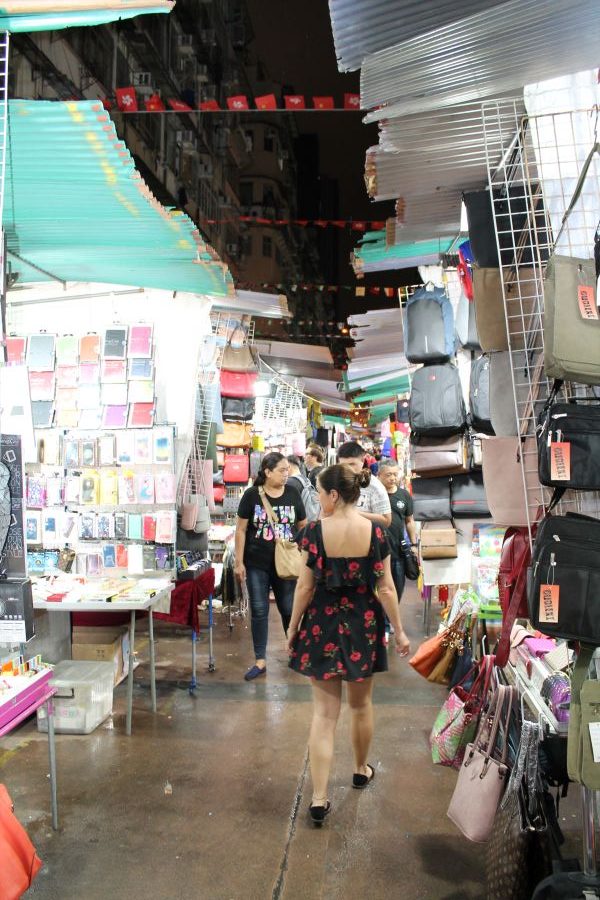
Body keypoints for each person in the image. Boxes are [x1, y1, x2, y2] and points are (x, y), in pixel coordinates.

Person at [287, 464, 410, 826]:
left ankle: (320, 798)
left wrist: (293, 626)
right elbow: (385, 588)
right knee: (361, 705)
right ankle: (359, 769)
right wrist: (400, 631)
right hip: (363, 623)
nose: (319, 500)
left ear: (333, 494)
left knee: (324, 716)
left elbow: (305, 587)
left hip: (321, 623)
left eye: (320, 493)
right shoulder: (375, 532)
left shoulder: (313, 531)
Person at [235, 452, 307, 681]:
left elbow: (303, 526)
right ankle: (260, 660)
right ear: (267, 472)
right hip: (257, 563)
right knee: (259, 610)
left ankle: (294, 652)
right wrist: (238, 562)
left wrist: (303, 556)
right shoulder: (251, 496)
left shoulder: (294, 493)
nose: (287, 474)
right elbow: (241, 530)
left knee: (288, 608)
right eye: (282, 470)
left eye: (288, 470)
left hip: (286, 562)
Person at [377, 458, 417, 606]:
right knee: (378, 587)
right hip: (376, 549)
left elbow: (409, 521)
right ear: (379, 475)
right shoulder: (375, 495)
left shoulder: (404, 495)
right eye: (388, 474)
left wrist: (413, 544)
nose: (393, 478)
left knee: (397, 587)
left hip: (398, 550)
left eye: (395, 474)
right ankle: (383, 623)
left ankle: (389, 619)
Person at [337, 441, 391, 527]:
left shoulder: (374, 485)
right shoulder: (334, 481)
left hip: (365, 538)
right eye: (343, 465)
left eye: (352, 464)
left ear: (362, 461)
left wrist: (353, 513)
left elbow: (386, 521)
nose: (347, 469)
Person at [286, 455, 320, 522]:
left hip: (299, 522)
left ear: (289, 466)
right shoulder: (305, 479)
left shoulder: (289, 482)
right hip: (311, 518)